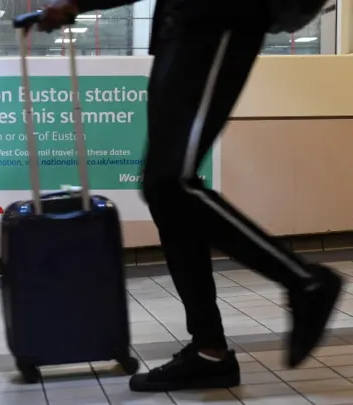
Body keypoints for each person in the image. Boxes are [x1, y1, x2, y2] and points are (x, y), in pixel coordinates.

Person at [34, 0, 344, 393]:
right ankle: (209, 350)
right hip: (182, 26)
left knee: (170, 184)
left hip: (218, 18)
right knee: (164, 191)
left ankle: (307, 282)